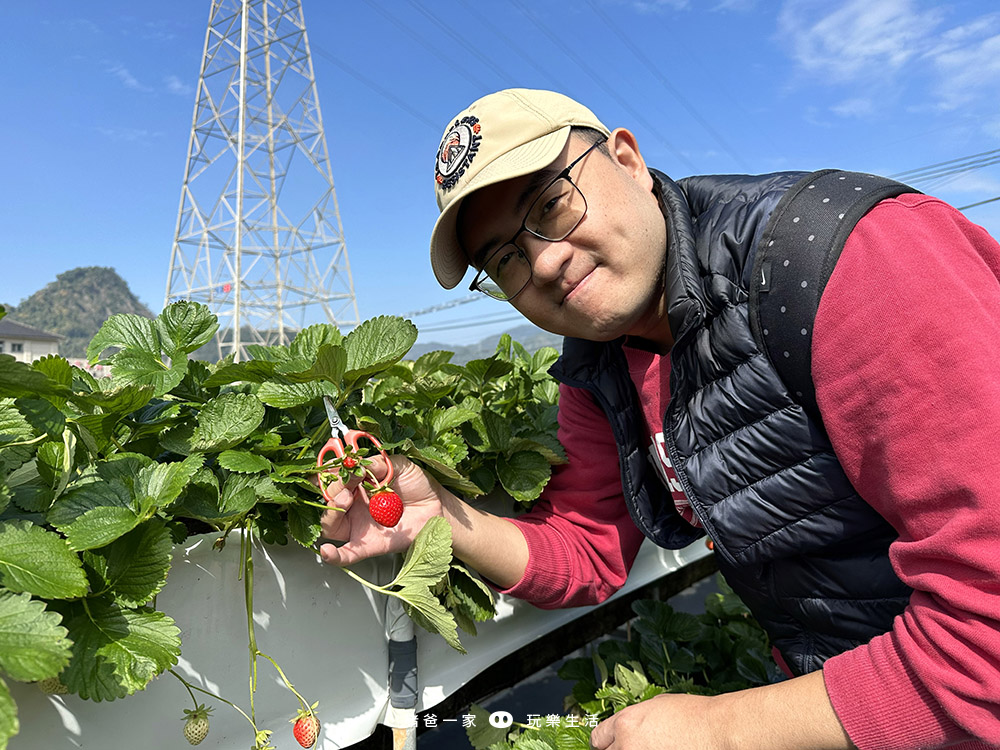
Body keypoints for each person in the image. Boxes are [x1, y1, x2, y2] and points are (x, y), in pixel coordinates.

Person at [318, 88, 1000, 749]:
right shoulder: (600, 363)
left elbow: (987, 644)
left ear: (627, 161)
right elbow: (586, 551)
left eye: (552, 205)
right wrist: (434, 516)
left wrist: (722, 730)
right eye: (504, 261)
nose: (545, 261)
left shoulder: (845, 263)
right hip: (867, 709)